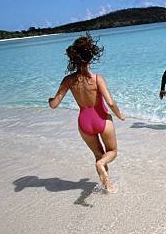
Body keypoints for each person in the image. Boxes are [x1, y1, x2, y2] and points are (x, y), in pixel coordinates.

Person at [48, 33, 125, 193]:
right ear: (90, 57)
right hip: (101, 119)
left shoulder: (68, 80)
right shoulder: (97, 78)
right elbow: (110, 102)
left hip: (84, 123)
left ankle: (107, 185)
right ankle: (102, 170)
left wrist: (50, 100)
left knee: (99, 155)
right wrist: (119, 115)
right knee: (112, 152)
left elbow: (54, 104)